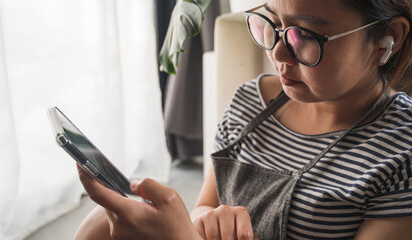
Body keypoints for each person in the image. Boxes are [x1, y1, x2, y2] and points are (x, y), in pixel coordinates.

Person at [74, 0, 412, 239]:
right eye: (274, 24)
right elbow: (204, 205)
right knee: (102, 223)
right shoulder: (249, 104)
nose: (278, 53)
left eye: (306, 35)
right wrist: (205, 220)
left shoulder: (400, 153)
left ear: (387, 40)